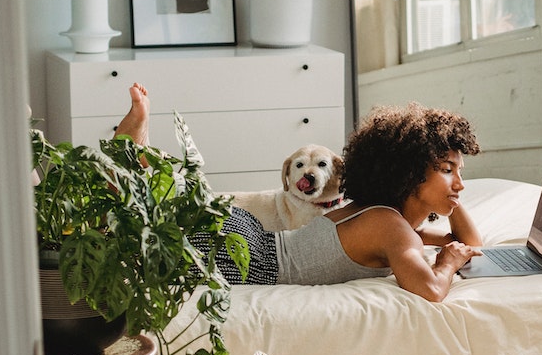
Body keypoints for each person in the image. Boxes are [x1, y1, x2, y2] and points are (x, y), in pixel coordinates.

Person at [114, 83, 484, 302]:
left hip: (249, 237)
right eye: (446, 170)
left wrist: (451, 197)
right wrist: (446, 264)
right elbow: (430, 290)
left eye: (460, 172)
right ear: (409, 173)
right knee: (136, 220)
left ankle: (137, 156)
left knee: (165, 209)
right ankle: (129, 158)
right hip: (253, 260)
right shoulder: (392, 229)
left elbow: (469, 244)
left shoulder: (388, 221)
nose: (459, 183)